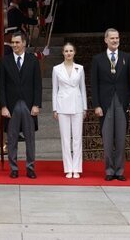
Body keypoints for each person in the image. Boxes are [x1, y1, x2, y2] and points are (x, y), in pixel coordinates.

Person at [91, 28, 130, 181]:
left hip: (122, 103)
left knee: (121, 138)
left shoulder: (127, 57)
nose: (115, 40)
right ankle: (109, 170)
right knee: (108, 139)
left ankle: (120, 170)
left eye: (117, 38)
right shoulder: (98, 59)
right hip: (105, 104)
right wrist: (96, 105)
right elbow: (94, 84)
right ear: (106, 40)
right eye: (112, 38)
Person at [0, 31, 42, 179]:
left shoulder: (33, 60)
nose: (14, 45)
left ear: (24, 43)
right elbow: (1, 86)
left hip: (29, 105)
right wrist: (3, 106)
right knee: (11, 138)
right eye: (13, 42)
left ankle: (30, 167)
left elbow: (38, 85)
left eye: (17, 42)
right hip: (11, 106)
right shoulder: (4, 61)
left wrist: (37, 104)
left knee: (30, 138)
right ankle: (14, 168)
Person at [52, 42, 87, 179]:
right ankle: (68, 168)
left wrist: (84, 107)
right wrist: (55, 108)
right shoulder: (56, 69)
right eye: (66, 51)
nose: (68, 53)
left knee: (77, 138)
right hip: (62, 105)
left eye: (71, 51)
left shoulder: (80, 68)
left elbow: (82, 88)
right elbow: (55, 89)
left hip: (77, 104)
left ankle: (77, 168)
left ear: (74, 52)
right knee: (65, 139)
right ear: (63, 52)